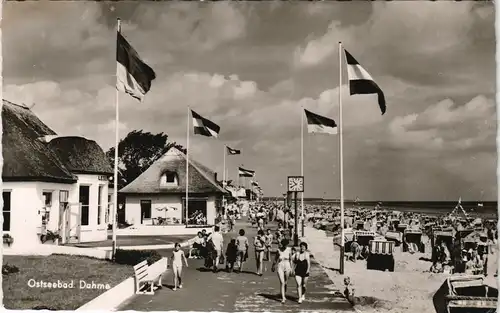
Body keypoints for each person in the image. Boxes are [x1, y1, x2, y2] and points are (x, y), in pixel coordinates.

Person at [272, 239, 293, 304]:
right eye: (283, 245)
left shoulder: (289, 249)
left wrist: (292, 268)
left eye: (286, 245)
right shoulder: (278, 250)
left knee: (285, 282)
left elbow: (291, 259)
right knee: (282, 282)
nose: (284, 246)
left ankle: (284, 293)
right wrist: (273, 266)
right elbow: (275, 259)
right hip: (280, 265)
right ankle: (283, 298)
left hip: (287, 265)